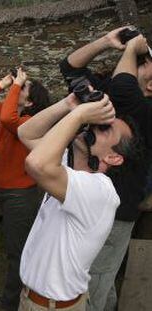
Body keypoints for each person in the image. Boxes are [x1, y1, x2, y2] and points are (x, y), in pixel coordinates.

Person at [17, 91, 140, 311]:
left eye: (104, 127)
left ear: (114, 158)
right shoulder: (67, 166)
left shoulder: (100, 191)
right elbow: (26, 133)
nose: (95, 125)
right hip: (34, 299)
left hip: (54, 307)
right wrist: (68, 104)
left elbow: (36, 165)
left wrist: (81, 115)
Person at [60, 26, 152, 310]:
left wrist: (129, 49)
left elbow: (125, 88)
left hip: (112, 217)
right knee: (93, 279)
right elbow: (70, 66)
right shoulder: (112, 91)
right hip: (79, 201)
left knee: (92, 287)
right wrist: (104, 42)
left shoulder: (144, 110)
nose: (151, 85)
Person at [0, 67, 50, 310]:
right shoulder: (11, 113)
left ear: (30, 101)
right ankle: (21, 293)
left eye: (22, 89)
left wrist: (15, 86)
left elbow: (7, 119)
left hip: (20, 195)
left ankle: (12, 301)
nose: (17, 88)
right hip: (6, 193)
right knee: (16, 245)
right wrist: (2, 84)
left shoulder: (28, 122)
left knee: (18, 251)